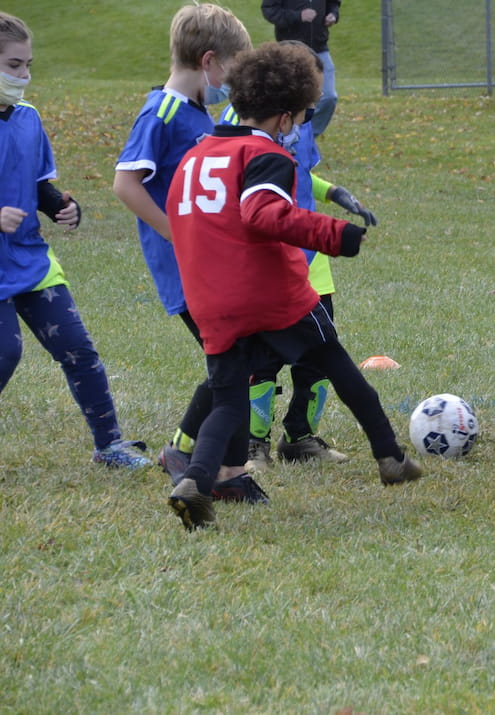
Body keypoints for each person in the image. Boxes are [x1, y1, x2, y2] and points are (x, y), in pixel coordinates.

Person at [165, 41, 421, 530]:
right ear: (284, 118)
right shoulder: (266, 155)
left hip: (210, 301)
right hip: (272, 294)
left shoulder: (195, 157)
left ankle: (195, 482)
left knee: (228, 402)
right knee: (341, 370)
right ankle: (390, 458)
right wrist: (335, 234)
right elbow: (263, 214)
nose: (299, 126)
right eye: (301, 117)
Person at [0, 12, 151, 469]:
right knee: (7, 351)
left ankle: (110, 446)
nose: (24, 76)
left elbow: (38, 184)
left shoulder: (28, 119)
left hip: (30, 260)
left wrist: (61, 205)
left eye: (28, 65)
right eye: (13, 65)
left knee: (78, 349)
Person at [113, 3, 253, 489]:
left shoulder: (200, 114)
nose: (233, 80)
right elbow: (125, 184)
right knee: (235, 364)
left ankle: (189, 452)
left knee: (237, 361)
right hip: (186, 269)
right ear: (210, 61)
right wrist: (179, 233)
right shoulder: (163, 111)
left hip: (211, 267)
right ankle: (221, 470)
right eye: (233, 69)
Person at [217, 44, 378, 471]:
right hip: (270, 260)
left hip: (312, 260)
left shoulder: (298, 122)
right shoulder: (241, 124)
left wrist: (334, 193)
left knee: (320, 354)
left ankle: (301, 437)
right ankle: (255, 445)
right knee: (263, 359)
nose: (316, 104)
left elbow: (300, 174)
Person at [261, 0, 340, 137]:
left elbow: (333, 3)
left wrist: (333, 14)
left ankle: (307, 137)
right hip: (290, 51)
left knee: (329, 97)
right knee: (288, 100)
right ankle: (283, 136)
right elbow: (269, 10)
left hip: (319, 48)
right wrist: (298, 16)